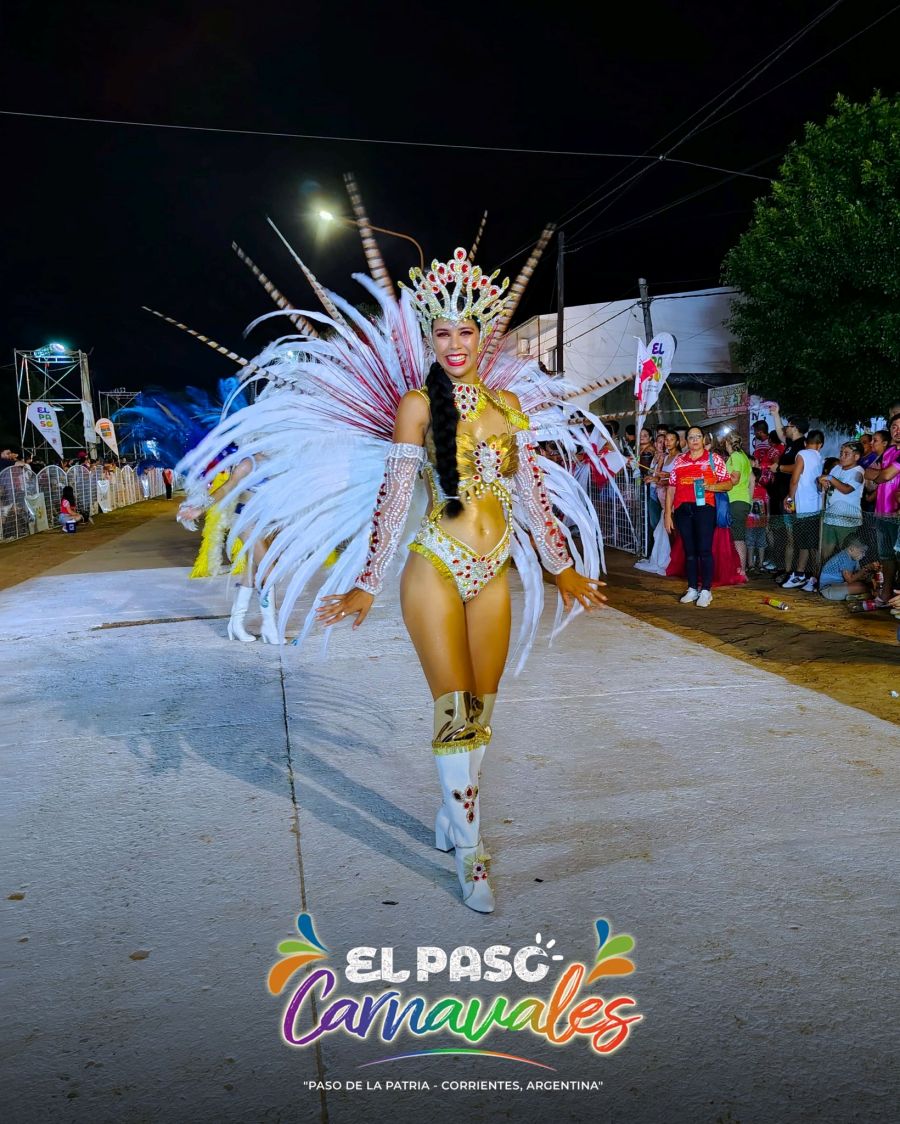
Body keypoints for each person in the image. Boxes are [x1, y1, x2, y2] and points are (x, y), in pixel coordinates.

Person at [178, 244, 612, 915]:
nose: (455, 344)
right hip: (434, 566)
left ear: (484, 336)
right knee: (455, 710)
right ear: (430, 339)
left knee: (483, 711)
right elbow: (393, 498)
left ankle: (453, 809)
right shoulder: (417, 405)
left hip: (493, 572)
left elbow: (533, 497)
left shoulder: (508, 408)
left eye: (465, 331)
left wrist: (563, 567)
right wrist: (367, 581)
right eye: (442, 333)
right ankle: (471, 851)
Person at [178, 454, 278, 643]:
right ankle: (269, 626)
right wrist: (200, 508)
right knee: (269, 570)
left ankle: (236, 624)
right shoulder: (249, 462)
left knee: (251, 571)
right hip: (246, 521)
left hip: (267, 523)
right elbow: (226, 487)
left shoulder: (279, 459)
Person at [663, 426, 733, 606]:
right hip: (682, 510)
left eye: (698, 436)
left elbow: (728, 484)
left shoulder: (713, 459)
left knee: (704, 550)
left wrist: (710, 487)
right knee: (689, 551)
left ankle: (706, 590)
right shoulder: (680, 460)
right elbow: (671, 488)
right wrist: (668, 514)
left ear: (703, 439)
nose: (694, 440)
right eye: (691, 437)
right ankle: (692, 588)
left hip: (705, 509)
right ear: (686, 441)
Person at [782, 430, 824, 591]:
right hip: (816, 505)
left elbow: (795, 478)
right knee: (812, 543)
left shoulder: (802, 454)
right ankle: (813, 576)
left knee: (803, 542)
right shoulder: (820, 457)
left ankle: (800, 575)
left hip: (804, 506)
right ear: (820, 445)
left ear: (806, 443)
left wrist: (790, 498)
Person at [864, 413, 900, 595]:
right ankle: (886, 594)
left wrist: (879, 475)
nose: (897, 430)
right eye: (894, 426)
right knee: (886, 556)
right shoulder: (889, 451)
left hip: (897, 513)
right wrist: (880, 475)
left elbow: (884, 475)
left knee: (898, 555)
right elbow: (869, 474)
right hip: (881, 511)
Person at [818, 441, 864, 560]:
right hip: (830, 517)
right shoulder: (836, 468)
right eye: (841, 453)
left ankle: (848, 573)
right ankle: (825, 571)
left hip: (847, 519)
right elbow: (827, 486)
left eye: (846, 454)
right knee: (825, 553)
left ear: (856, 457)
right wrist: (822, 482)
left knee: (849, 554)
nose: (842, 456)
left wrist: (829, 478)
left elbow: (846, 489)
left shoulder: (858, 473)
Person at [724, 434, 752, 575]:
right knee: (737, 535)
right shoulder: (744, 457)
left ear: (727, 443)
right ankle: (740, 568)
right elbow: (752, 479)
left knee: (738, 537)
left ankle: (742, 571)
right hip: (742, 500)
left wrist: (719, 479)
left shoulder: (735, 456)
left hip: (736, 500)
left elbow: (734, 479)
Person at [745, 468, 769, 573]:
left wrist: (767, 520)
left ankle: (760, 564)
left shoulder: (763, 490)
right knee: (750, 543)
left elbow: (767, 504)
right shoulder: (746, 489)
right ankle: (751, 564)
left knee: (761, 543)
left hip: (761, 522)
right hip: (749, 522)